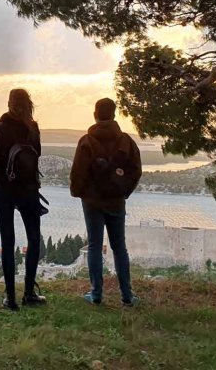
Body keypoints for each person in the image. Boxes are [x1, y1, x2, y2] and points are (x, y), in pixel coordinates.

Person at [69, 98, 142, 307]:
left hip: (91, 202)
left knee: (94, 246)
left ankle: (96, 294)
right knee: (120, 247)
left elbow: (78, 173)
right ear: (114, 114)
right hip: (116, 202)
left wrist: (79, 193)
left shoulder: (86, 141)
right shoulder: (126, 141)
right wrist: (124, 191)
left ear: (95, 114)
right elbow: (136, 171)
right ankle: (127, 295)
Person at [0, 89, 48, 311]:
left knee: (7, 241)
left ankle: (10, 297)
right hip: (29, 190)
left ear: (9, 103)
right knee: (33, 239)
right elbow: (37, 154)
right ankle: (29, 293)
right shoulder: (33, 128)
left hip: (2, 189)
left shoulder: (0, 128)